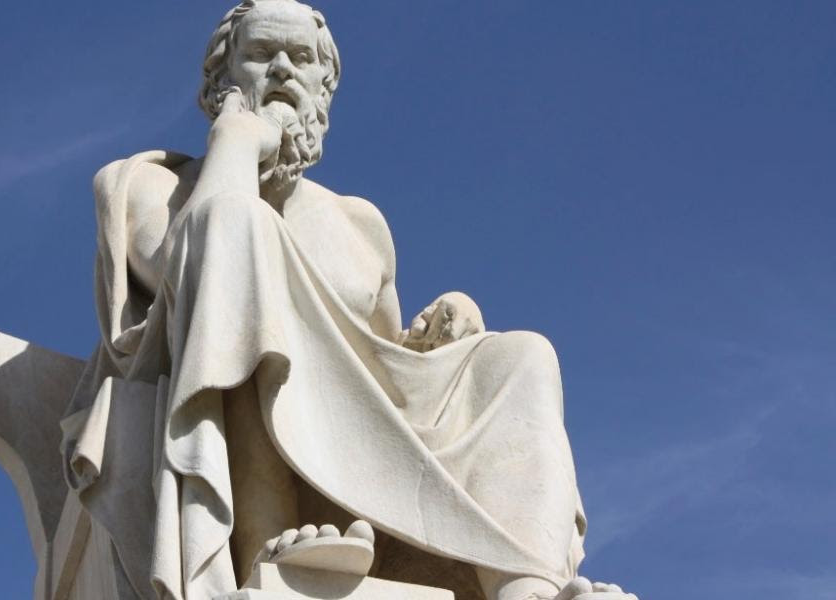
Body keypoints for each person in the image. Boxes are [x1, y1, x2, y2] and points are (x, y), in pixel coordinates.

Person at [62, 1, 637, 599]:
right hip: (234, 455)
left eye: (300, 58)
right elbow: (195, 267)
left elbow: (381, 367)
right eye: (260, 54)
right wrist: (237, 141)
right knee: (242, 228)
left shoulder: (359, 224)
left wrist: (450, 326)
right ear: (219, 83)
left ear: (323, 89)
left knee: (520, 355)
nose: (282, 69)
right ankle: (263, 544)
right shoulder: (146, 186)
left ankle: (528, 587)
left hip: (352, 465)